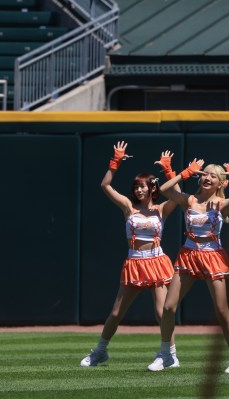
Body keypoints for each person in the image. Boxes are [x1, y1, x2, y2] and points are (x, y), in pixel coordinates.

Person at [146, 157, 229, 373]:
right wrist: (186, 172)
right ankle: (167, 354)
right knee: (168, 307)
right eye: (205, 174)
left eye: (213, 176)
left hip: (213, 256)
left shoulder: (221, 204)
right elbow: (165, 188)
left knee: (221, 310)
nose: (207, 177)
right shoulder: (189, 200)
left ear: (220, 183)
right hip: (189, 254)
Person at [80, 142, 181, 368]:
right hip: (135, 262)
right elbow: (105, 185)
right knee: (116, 313)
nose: (138, 190)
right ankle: (100, 351)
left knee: (161, 310)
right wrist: (115, 162)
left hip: (156, 261)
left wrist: (168, 170)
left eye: (143, 186)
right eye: (136, 187)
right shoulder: (128, 207)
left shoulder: (162, 209)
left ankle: (170, 355)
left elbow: (177, 195)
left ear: (152, 188)